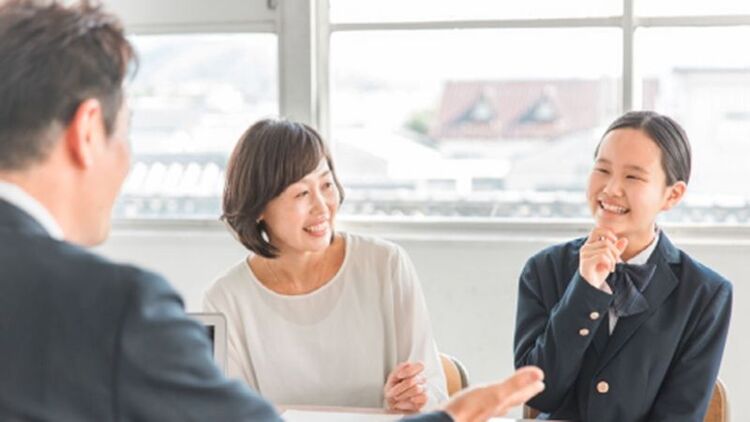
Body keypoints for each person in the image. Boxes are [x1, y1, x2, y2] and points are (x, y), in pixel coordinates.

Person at [0, 1, 544, 421]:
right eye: (127, 133)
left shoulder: (384, 265)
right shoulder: (113, 308)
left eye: (324, 184)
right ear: (89, 131)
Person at [204, 118, 446, 411]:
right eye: (301, 193)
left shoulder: (386, 266)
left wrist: (414, 397)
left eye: (326, 185)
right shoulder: (226, 299)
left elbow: (434, 390)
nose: (322, 207)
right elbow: (226, 414)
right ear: (258, 208)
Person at [514, 111, 732, 421]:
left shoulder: (706, 293)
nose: (611, 189)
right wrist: (584, 289)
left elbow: (680, 415)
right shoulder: (543, 269)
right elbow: (538, 394)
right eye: (602, 170)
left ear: (672, 195)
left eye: (632, 176)